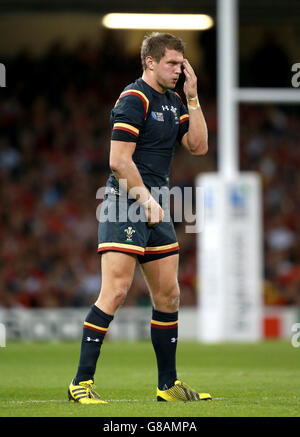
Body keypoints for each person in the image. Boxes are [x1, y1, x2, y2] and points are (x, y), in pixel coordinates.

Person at [68, 32, 211, 404]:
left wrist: (193, 97)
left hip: (156, 203)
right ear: (150, 62)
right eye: (172, 63)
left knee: (169, 296)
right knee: (114, 292)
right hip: (125, 203)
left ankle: (168, 385)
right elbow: (118, 161)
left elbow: (198, 146)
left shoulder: (174, 100)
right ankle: (80, 383)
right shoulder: (134, 98)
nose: (179, 70)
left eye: (182, 64)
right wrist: (145, 200)